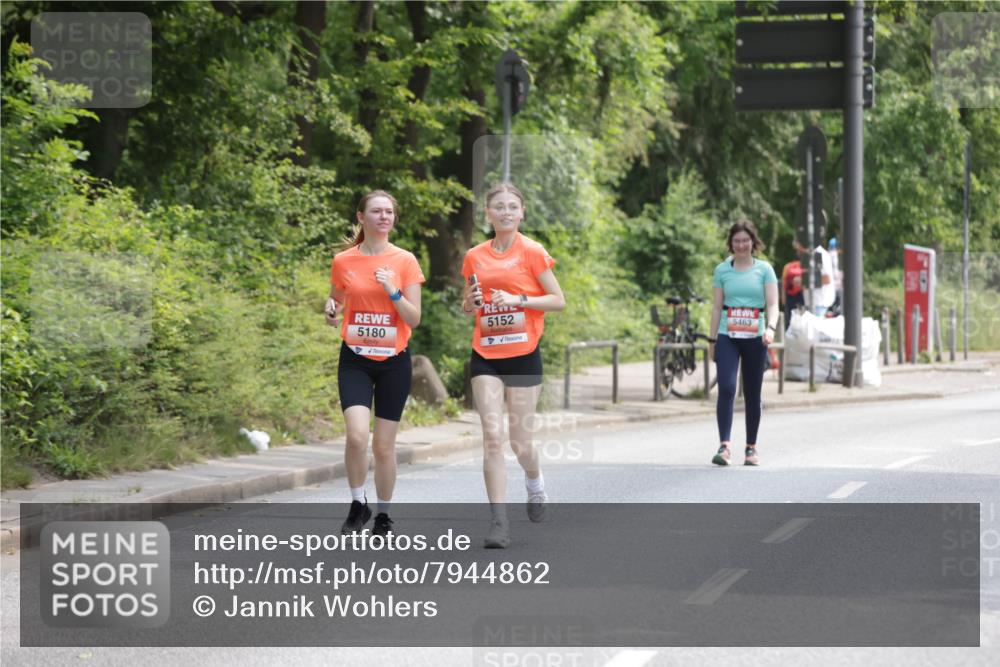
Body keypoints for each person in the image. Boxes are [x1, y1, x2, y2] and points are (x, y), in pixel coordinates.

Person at [460, 183, 565, 548]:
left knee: (521, 442)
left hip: (522, 353)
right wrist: (470, 304)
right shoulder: (474, 255)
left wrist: (519, 299)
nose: (505, 212)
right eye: (498, 207)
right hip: (486, 353)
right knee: (492, 437)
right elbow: (468, 303)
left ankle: (534, 481)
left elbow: (558, 299)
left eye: (512, 207)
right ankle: (499, 523)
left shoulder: (533, 251)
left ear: (522, 213)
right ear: (487, 214)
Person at [326, 190, 424, 536]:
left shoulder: (405, 261)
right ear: (360, 217)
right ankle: (357, 503)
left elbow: (413, 319)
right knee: (356, 436)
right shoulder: (344, 261)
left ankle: (383, 514)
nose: (384, 217)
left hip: (393, 361)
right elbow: (336, 299)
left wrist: (393, 290)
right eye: (377, 211)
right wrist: (330, 309)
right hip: (354, 358)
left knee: (383, 445)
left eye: (389, 212)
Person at [708, 220, 779, 467]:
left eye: (745, 240)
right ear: (731, 244)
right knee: (726, 388)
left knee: (752, 392)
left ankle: (751, 447)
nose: (741, 245)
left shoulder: (765, 270)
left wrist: (771, 328)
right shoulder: (722, 271)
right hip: (728, 334)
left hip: (756, 336)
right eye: (736, 241)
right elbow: (717, 307)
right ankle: (724, 446)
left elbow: (772, 304)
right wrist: (712, 339)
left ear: (752, 242)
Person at [793, 239, 835, 316]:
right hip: (814, 304)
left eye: (798, 248)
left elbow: (826, 279)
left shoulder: (819, 254)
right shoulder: (811, 254)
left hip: (819, 304)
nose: (798, 251)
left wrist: (803, 281)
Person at [780, 257, 804, 327]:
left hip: (789, 295)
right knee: (801, 315)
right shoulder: (803, 265)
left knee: (789, 316)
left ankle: (788, 331)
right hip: (800, 295)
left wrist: (783, 297)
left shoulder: (787, 266)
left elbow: (783, 282)